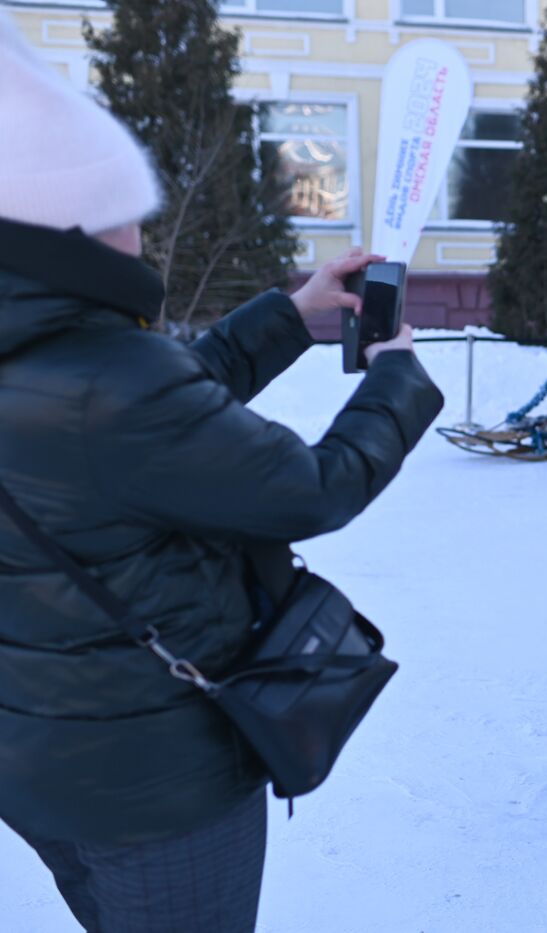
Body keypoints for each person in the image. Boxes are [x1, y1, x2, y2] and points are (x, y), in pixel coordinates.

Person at [0, 16, 443, 933]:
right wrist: (397, 371)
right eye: (120, 206)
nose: (137, 227)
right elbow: (314, 486)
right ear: (67, 231)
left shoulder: (47, 358)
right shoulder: (107, 381)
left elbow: (157, 419)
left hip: (37, 758)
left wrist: (290, 312)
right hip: (156, 788)